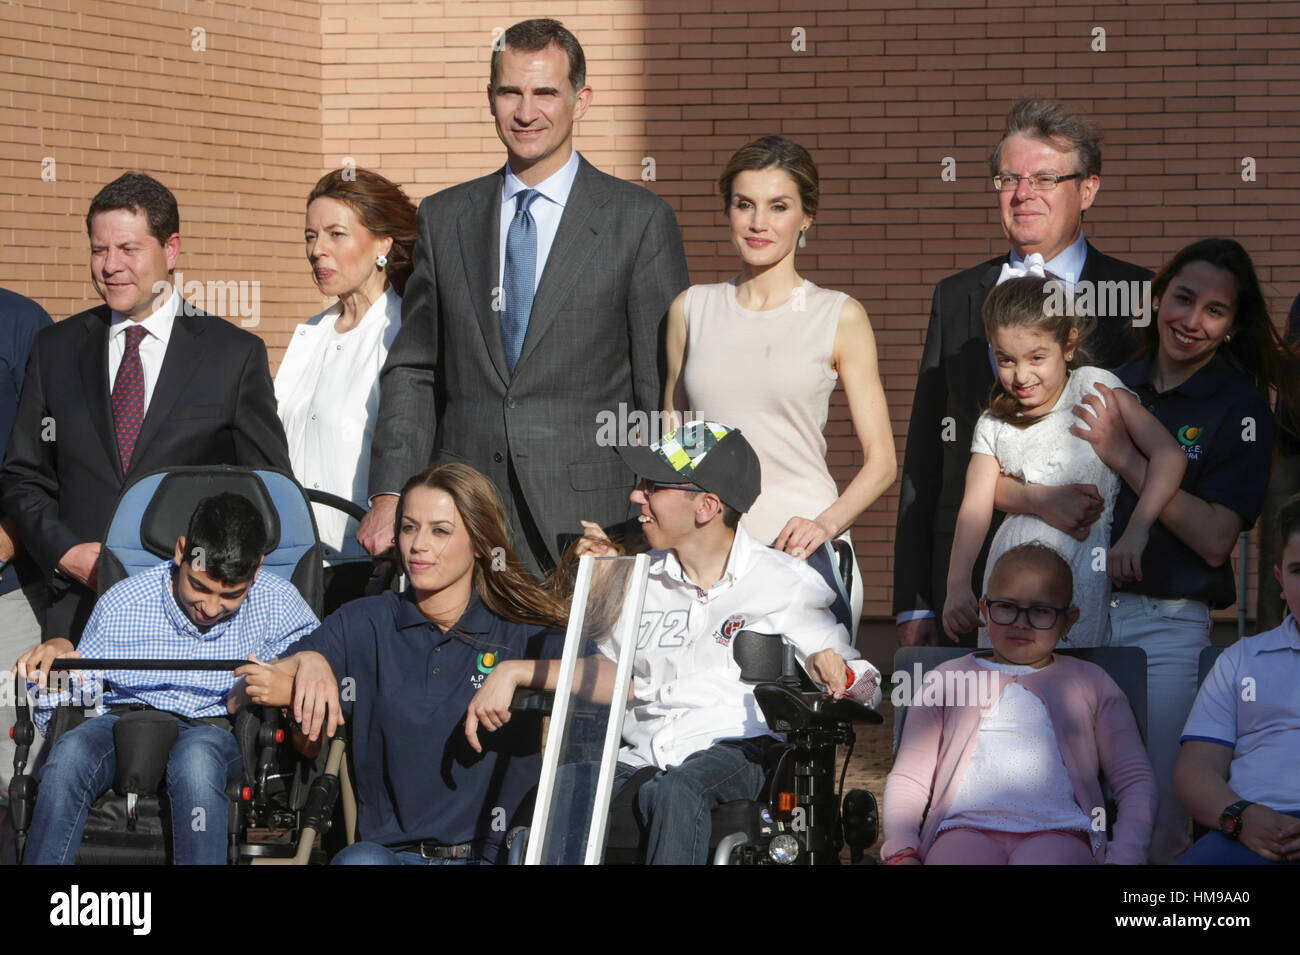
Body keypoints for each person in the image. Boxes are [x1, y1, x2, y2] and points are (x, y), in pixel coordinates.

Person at [356, 17, 690, 579]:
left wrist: (654, 508)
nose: (526, 111)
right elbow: (415, 370)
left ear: (581, 101)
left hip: (590, 522)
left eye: (545, 93)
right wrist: (390, 493)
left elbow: (662, 386)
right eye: (511, 92)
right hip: (461, 520)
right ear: (490, 98)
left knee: (569, 671)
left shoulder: (638, 221)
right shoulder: (444, 217)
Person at [470, 421, 879, 864]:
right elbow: (615, 677)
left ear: (706, 506)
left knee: (678, 790)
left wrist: (837, 669)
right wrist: (517, 670)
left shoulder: (782, 581)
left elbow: (869, 685)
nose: (635, 497)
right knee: (563, 790)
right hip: (643, 749)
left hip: (737, 749)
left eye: (653, 487)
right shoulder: (639, 577)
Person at [1057, 237, 1292, 864]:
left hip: (1163, 627)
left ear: (1231, 325)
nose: (1191, 321)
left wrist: (1127, 457)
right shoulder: (1112, 383)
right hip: (1077, 615)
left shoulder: (1239, 406)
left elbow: (1217, 540)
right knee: (1073, 800)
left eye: (1215, 311)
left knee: (1157, 813)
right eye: (1182, 298)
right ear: (1158, 296)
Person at [895, 98, 1152, 649]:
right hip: (970, 591)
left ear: (1087, 190)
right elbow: (926, 453)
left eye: (1044, 178)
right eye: (1008, 178)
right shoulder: (957, 294)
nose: (1022, 193)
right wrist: (915, 598)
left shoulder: (1139, 296)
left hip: (1102, 584)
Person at [1, 172, 292, 645]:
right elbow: (24, 475)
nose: (110, 266)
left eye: (128, 249)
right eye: (99, 250)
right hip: (77, 615)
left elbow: (265, 488)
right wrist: (65, 552)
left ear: (171, 249)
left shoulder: (232, 355)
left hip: (195, 622)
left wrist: (209, 577)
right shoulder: (56, 349)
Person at [252, 461, 569, 865]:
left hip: (493, 855)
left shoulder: (519, 629)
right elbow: (259, 680)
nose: (418, 545)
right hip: (389, 856)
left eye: (440, 531)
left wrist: (516, 671)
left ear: (478, 542)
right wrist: (310, 660)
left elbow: (617, 680)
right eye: (408, 527)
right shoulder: (365, 621)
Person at [663, 135, 895, 637]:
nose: (758, 223)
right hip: (706, 554)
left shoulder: (840, 315)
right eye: (744, 205)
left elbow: (883, 462)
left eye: (778, 206)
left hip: (801, 551)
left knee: (801, 711)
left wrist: (825, 526)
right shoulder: (690, 310)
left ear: (806, 216)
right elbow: (674, 446)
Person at [12, 493, 318, 865]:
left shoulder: (279, 605)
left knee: (196, 762)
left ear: (257, 571)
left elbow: (318, 671)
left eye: (231, 595)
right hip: (119, 720)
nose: (210, 607)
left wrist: (288, 687)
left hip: (213, 727)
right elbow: (77, 697)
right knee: (68, 756)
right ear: (181, 552)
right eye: (200, 587)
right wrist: (54, 666)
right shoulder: (123, 601)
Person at [942, 276, 1185, 647]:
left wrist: (1138, 531)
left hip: (1082, 573)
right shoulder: (993, 422)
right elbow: (974, 507)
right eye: (1005, 360)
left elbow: (1169, 455)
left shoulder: (1093, 387)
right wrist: (957, 585)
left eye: (1037, 358)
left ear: (1068, 344)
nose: (1021, 376)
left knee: (1073, 687)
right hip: (1007, 583)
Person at [883, 543, 1156, 865]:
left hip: (1060, 832)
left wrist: (1124, 857)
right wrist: (902, 849)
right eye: (1007, 607)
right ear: (984, 609)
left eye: (1040, 610)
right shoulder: (946, 680)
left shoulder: (1092, 683)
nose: (1020, 623)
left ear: (1068, 621)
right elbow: (910, 778)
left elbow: (1135, 780)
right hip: (962, 829)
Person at [275, 167, 416, 610]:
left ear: (383, 243)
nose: (317, 250)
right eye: (310, 236)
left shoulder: (404, 333)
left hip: (368, 570)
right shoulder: (310, 335)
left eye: (336, 234)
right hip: (290, 568)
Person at [1176, 492, 1300, 864]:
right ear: (1280, 579)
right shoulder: (1241, 660)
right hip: (1254, 829)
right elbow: (1196, 769)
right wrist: (1239, 817)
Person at [0, 287, 52, 863]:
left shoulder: (20, 325)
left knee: (17, 780)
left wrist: (10, 538)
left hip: (8, 594)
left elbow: (47, 457)